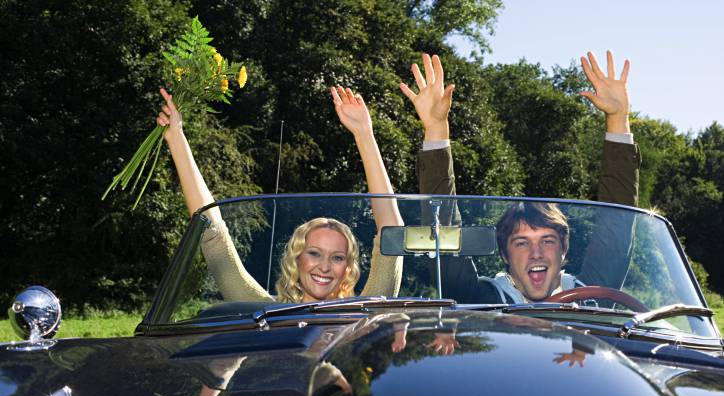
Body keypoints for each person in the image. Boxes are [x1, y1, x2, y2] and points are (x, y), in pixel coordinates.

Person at [401, 51, 640, 303]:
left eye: (547, 241)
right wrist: (436, 129)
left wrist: (618, 119)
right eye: (521, 243)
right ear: (504, 254)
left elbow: (617, 228)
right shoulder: (484, 301)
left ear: (564, 250)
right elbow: (444, 242)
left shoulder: (590, 298)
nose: (536, 253)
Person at [156, 86, 403, 303]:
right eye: (314, 253)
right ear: (296, 259)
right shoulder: (267, 314)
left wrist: (364, 135)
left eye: (337, 257)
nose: (324, 266)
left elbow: (393, 235)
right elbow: (212, 234)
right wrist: (176, 138)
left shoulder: (364, 317)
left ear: (348, 268)